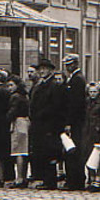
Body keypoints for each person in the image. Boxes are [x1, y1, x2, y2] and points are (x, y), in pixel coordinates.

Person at [29, 59, 66, 190]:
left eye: (45, 69)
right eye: (41, 69)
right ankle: (45, 179)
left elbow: (55, 106)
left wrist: (42, 114)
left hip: (49, 124)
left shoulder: (54, 86)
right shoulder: (40, 85)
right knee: (42, 152)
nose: (42, 71)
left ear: (51, 70)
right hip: (39, 124)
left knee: (50, 153)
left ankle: (50, 181)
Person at [63, 54, 87, 191]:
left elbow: (74, 104)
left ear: (76, 64)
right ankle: (74, 179)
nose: (68, 67)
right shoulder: (74, 78)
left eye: (70, 64)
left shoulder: (77, 79)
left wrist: (69, 122)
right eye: (66, 65)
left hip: (76, 121)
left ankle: (75, 180)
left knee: (73, 150)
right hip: (75, 120)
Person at [6, 75, 31, 188]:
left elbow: (12, 111)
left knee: (18, 151)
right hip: (25, 122)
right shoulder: (24, 95)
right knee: (24, 151)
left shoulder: (15, 97)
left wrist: (6, 118)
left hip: (18, 123)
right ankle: (23, 177)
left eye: (11, 85)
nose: (9, 88)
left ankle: (19, 178)